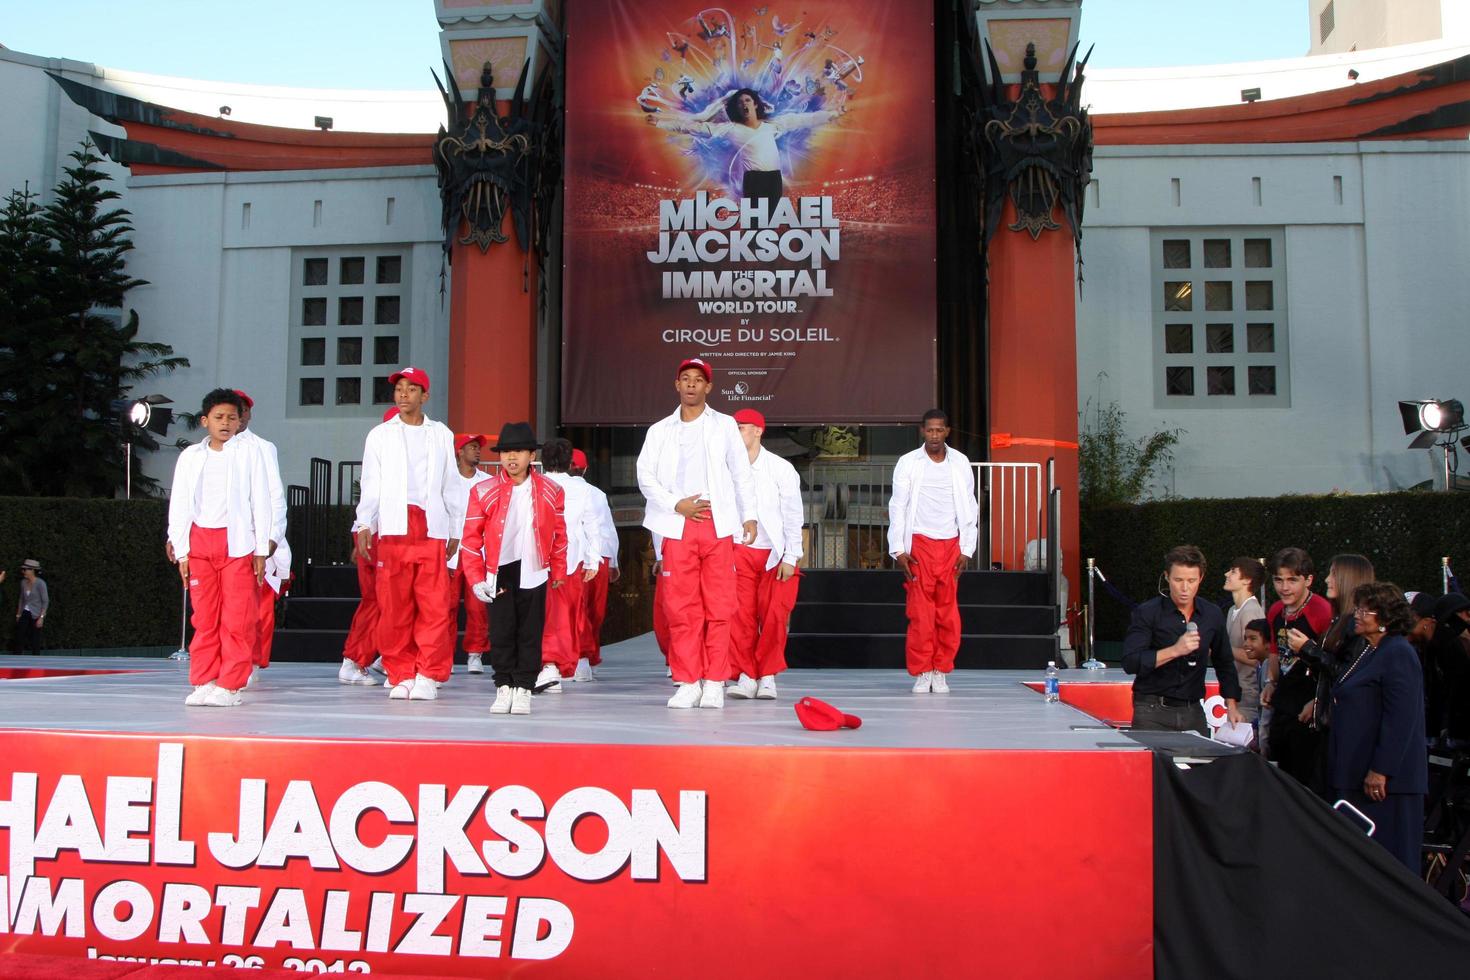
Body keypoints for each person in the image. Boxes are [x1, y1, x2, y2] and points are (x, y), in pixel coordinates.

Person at [637, 357, 758, 709]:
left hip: (717, 525)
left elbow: (740, 473)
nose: (691, 384)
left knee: (719, 606)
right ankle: (689, 680)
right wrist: (677, 504)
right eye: (685, 379)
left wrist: (749, 515)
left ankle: (716, 681)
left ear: (708, 387)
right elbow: (645, 477)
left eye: (698, 380)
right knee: (682, 609)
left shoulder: (724, 426)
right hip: (678, 526)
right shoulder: (659, 430)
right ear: (677, 385)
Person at [353, 367, 463, 701]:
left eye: (411, 389)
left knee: (433, 605)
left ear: (424, 396)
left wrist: (456, 528)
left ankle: (428, 674)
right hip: (394, 525)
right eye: (399, 389)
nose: (403, 394)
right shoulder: (380, 435)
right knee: (394, 605)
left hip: (431, 525)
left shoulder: (441, 433)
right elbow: (370, 483)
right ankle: (400, 673)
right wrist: (364, 523)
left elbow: (451, 482)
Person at [167, 388, 272, 707]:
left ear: (240, 421)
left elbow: (262, 500)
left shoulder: (250, 453)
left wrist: (262, 548)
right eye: (218, 417)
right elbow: (181, 503)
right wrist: (181, 548)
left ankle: (230, 683)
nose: (225, 423)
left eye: (231, 417)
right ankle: (203, 679)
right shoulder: (191, 457)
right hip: (200, 543)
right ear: (204, 421)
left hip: (237, 543)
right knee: (205, 617)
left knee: (237, 617)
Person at [458, 422, 568, 716]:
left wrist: (558, 571)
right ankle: (503, 686)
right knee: (502, 631)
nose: (511, 457)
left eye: (518, 450)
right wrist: (476, 578)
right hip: (500, 570)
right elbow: (469, 540)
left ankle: (523, 689)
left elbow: (560, 534)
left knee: (531, 632)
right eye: (506, 451)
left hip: (534, 569)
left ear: (532, 455)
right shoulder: (483, 491)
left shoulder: (552, 491)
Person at [1327, 582, 1427, 873]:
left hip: (1386, 787)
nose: (1357, 614)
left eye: (1365, 610)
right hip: (1356, 774)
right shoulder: (1371, 652)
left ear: (1385, 617)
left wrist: (1381, 770)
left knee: (1390, 866)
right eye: (1358, 607)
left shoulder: (1398, 653)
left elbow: (1402, 717)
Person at [887, 409, 979, 695]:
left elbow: (970, 505)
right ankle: (923, 671)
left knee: (948, 614)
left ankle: (941, 670)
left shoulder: (960, 462)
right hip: (919, 544)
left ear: (947, 432)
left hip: (951, 543)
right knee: (920, 614)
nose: (935, 435)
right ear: (922, 431)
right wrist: (898, 548)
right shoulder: (908, 463)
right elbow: (897, 505)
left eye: (940, 430)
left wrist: (967, 547)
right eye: (930, 430)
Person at [1123, 546, 1244, 732]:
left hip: (1193, 709)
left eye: (1191, 580)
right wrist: (1175, 650)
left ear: (1201, 579)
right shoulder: (1147, 612)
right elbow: (1131, 662)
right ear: (1166, 577)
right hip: (1151, 708)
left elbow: (1224, 661)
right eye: (1178, 580)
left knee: (1201, 761)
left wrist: (1232, 705)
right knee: (1153, 761)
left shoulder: (1211, 614)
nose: (1185, 588)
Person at [649, 88, 844, 204]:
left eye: (748, 100)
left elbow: (803, 119)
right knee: (755, 223)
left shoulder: (772, 126)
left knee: (772, 219)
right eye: (740, 102)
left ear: (755, 104)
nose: (744, 104)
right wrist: (660, 122)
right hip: (753, 180)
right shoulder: (731, 129)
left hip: (774, 179)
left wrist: (832, 115)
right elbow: (693, 127)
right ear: (736, 108)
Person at [727, 408, 803, 701]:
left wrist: (791, 556)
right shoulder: (725, 468)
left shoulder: (780, 468)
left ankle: (768, 675)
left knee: (773, 616)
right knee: (740, 617)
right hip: (738, 550)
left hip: (774, 553)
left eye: (742, 428)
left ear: (758, 430)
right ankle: (746, 675)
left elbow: (793, 515)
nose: (737, 434)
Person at [1290, 554, 1375, 794]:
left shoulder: (1354, 627)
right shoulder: (1339, 621)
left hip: (1343, 732)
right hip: (1328, 727)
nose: (1327, 580)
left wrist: (1308, 649)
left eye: (1334, 574)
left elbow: (1347, 674)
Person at [229, 390, 288, 682]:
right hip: (220, 538)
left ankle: (252, 662)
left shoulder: (262, 447)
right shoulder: (205, 449)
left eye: (238, 411)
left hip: (255, 537)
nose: (233, 418)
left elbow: (274, 495)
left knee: (259, 606)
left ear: (247, 414)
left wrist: (271, 538)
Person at [1263, 548, 1334, 785]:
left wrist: (1317, 700)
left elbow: (1332, 660)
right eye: (1278, 580)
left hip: (1308, 704)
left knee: (1305, 774)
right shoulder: (1275, 611)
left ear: (1308, 580)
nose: (1284, 587)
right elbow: (1274, 649)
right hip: (1283, 700)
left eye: (1292, 580)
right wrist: (1271, 683)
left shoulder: (1321, 610)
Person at [339, 407, 399, 685]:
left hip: (394, 533)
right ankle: (355, 660)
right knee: (378, 601)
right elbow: (371, 496)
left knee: (395, 601)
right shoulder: (383, 452)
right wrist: (364, 530)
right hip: (379, 534)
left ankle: (386, 658)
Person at [537, 438, 603, 692]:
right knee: (567, 614)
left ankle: (548, 665)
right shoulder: (584, 489)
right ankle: (559, 664)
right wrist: (593, 559)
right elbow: (592, 526)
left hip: (539, 559)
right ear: (569, 463)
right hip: (572, 559)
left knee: (544, 613)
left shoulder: (537, 484)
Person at [446, 433, 492, 675]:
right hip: (450, 552)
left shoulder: (487, 481)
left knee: (478, 607)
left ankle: (475, 654)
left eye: (478, 448)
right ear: (460, 451)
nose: (477, 451)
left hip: (478, 552)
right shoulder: (446, 480)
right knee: (447, 606)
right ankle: (444, 654)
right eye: (472, 447)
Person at [571, 448, 619, 681]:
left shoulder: (554, 489)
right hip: (600, 556)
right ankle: (588, 658)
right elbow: (607, 529)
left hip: (574, 558)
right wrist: (614, 561)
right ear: (586, 469)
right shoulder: (597, 493)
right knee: (593, 611)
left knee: (576, 610)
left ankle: (581, 659)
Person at [1223, 557, 1267, 727]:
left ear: (1247, 580)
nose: (1227, 574)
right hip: (1236, 695)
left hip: (1248, 698)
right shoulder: (1232, 610)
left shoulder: (1251, 612)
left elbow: (1257, 658)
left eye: (1233, 571)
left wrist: (1221, 648)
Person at [13, 559, 48, 655]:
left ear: (32, 570)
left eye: (25, 569)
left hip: (36, 614)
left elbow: (45, 602)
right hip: (25, 612)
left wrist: (41, 618)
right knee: (19, 636)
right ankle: (17, 659)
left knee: (35, 639)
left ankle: (36, 661)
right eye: (23, 569)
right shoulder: (23, 582)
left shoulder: (41, 583)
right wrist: (18, 614)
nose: (23, 571)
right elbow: (21, 599)